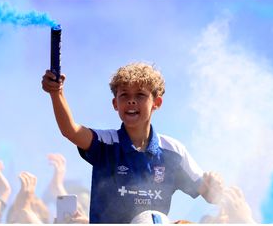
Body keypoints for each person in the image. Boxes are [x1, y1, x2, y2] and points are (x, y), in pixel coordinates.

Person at [41, 63, 223, 223]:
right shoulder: (107, 143)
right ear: (115, 103)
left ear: (157, 102)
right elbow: (70, 130)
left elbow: (210, 194)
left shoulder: (173, 152)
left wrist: (215, 186)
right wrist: (56, 93)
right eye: (124, 95)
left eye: (141, 95)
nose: (131, 100)